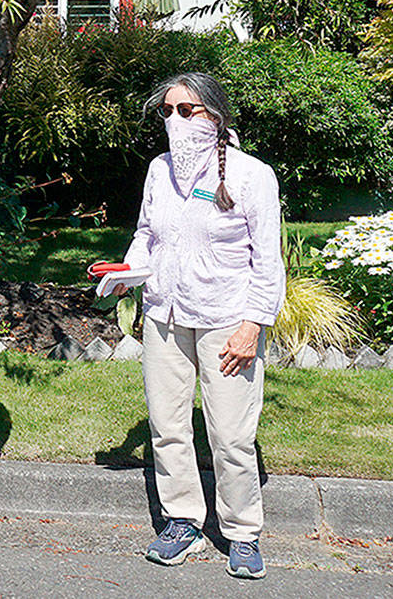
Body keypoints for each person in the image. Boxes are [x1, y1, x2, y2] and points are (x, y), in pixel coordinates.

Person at [118, 72, 283, 579]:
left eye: (186, 111)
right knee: (168, 427)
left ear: (215, 116)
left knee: (231, 434)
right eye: (167, 111)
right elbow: (148, 234)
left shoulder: (252, 175)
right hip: (165, 314)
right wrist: (125, 274)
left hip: (225, 320)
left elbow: (267, 261)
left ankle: (242, 531)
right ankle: (182, 521)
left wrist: (253, 324)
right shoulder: (159, 170)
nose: (175, 121)